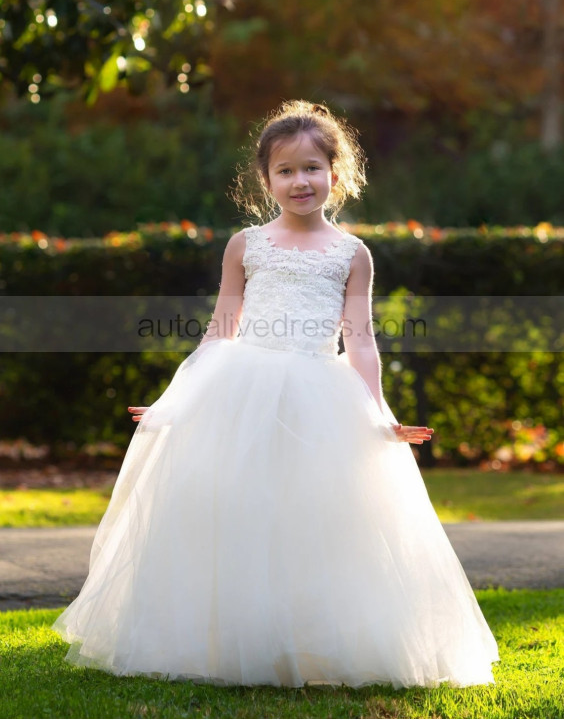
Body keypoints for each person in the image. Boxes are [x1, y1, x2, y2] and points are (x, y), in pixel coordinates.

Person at [51, 100, 499, 689]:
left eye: (312, 167)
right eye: (285, 171)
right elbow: (221, 331)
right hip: (242, 392)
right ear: (265, 181)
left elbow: (360, 342)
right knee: (239, 512)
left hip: (320, 396)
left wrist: (378, 413)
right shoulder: (246, 245)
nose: (300, 181)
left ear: (336, 175)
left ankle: (314, 642)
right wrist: (174, 400)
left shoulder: (351, 254)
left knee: (318, 518)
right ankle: (227, 642)